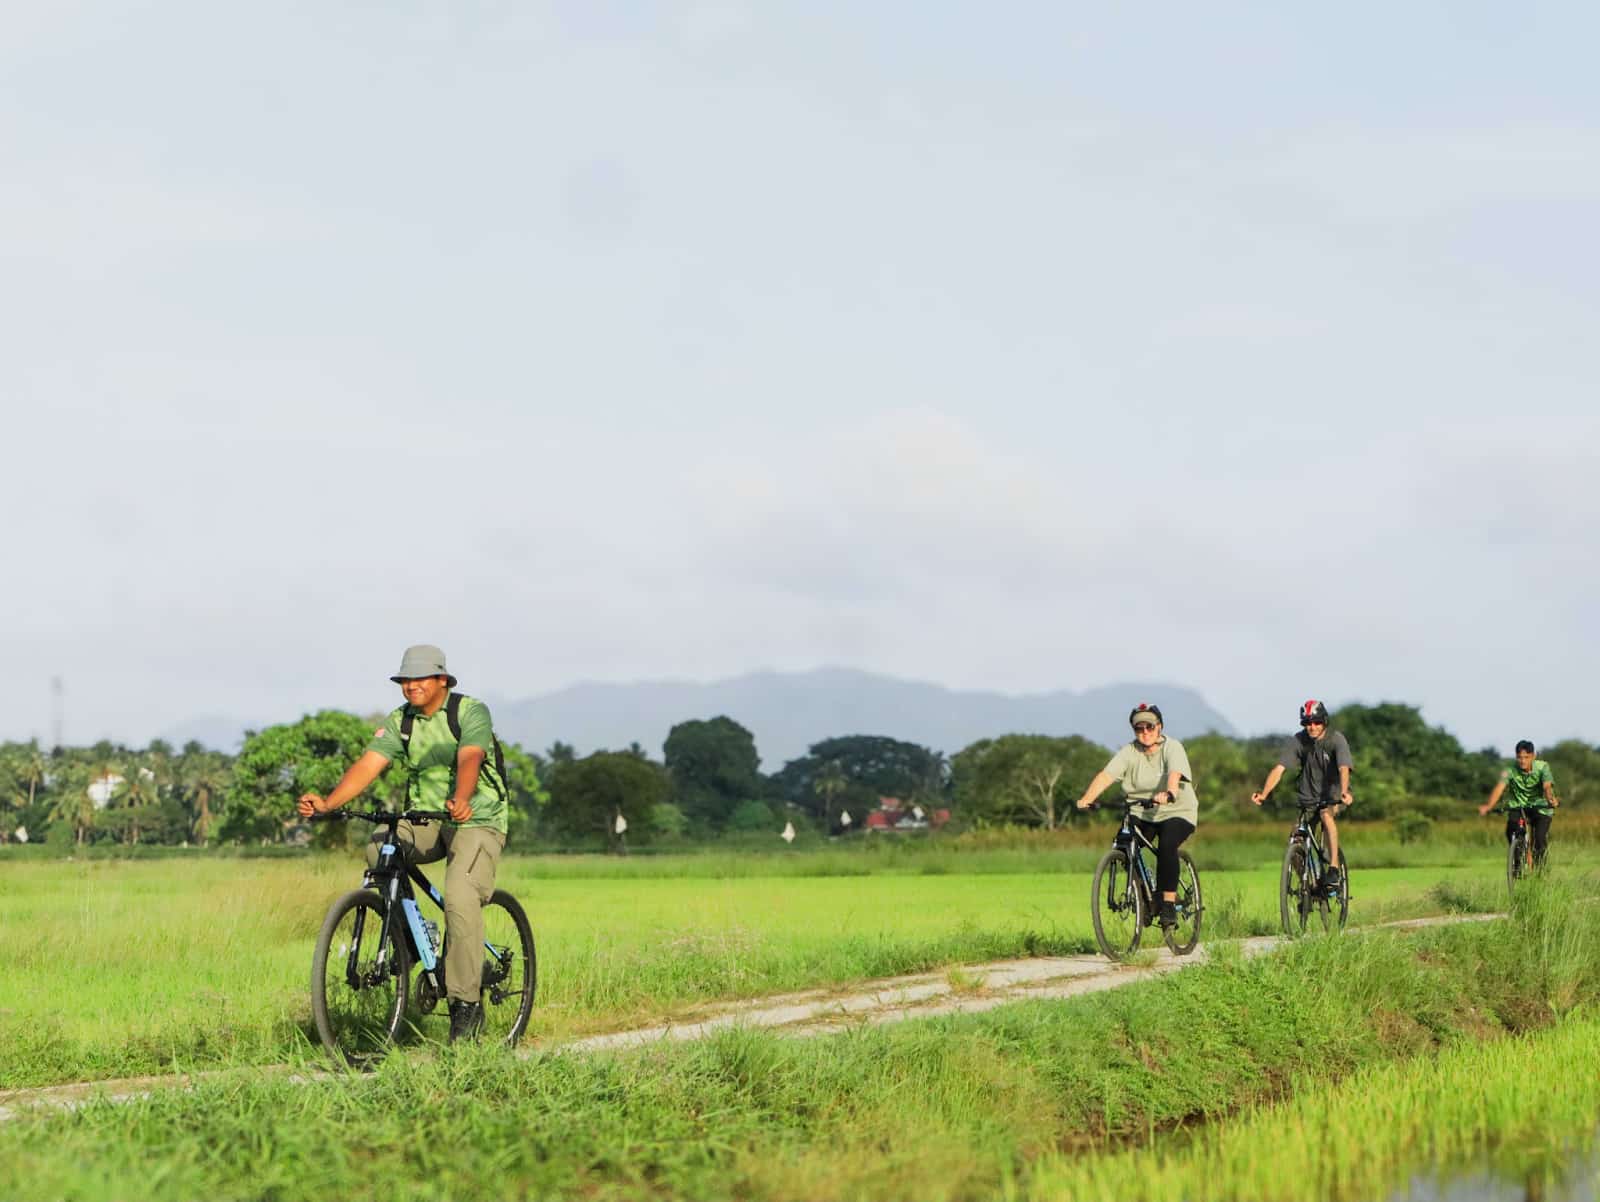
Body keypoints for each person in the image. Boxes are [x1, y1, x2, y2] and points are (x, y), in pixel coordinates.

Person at [297, 644, 510, 1042]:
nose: (411, 686)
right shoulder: (402, 722)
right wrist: (327, 803)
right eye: (405, 680)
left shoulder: (469, 712)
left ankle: (465, 1004)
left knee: (460, 894)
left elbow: (470, 758)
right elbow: (367, 766)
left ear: (441, 680)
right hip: (424, 818)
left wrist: (463, 798)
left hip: (476, 818)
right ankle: (407, 942)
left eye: (420, 679)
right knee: (381, 847)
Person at [1075, 703, 1199, 929]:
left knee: (1167, 845)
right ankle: (1145, 900)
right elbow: (1106, 775)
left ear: (1159, 727)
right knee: (1124, 846)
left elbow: (1175, 773)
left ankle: (1168, 904)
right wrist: (1087, 798)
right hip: (1141, 810)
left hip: (1176, 809)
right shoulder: (1129, 752)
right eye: (1138, 728)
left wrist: (1170, 792)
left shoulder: (1173, 748)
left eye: (1149, 727)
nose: (1144, 733)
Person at [1251, 699, 1352, 891]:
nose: (1312, 727)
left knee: (1326, 815)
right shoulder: (1298, 741)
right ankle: (1310, 885)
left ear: (1324, 721)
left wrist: (1345, 792)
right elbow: (1279, 769)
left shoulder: (1336, 739)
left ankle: (1333, 868)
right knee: (1296, 838)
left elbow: (1344, 768)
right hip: (1307, 798)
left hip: (1333, 794)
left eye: (1316, 722)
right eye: (1307, 723)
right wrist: (1264, 794)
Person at [1478, 739, 1559, 867]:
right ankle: (1517, 865)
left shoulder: (1543, 767)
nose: (1522, 761)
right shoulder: (1510, 770)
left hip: (1540, 806)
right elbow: (1499, 787)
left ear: (1533, 756)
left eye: (1526, 757)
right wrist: (1489, 806)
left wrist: (1550, 799)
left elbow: (1547, 786)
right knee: (1512, 830)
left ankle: (1539, 873)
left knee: (1539, 839)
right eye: (1519, 757)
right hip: (1518, 806)